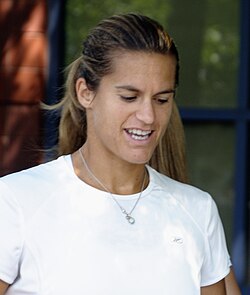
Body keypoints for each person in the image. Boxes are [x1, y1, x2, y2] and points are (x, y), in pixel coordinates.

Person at [0, 13, 241, 295]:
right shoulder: (16, 201)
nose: (148, 116)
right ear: (85, 92)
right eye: (129, 97)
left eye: (162, 99)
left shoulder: (198, 210)